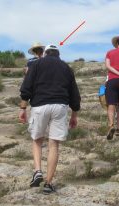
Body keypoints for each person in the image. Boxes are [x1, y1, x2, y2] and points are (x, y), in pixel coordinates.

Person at [19, 44, 81, 194]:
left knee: (37, 139)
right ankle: (48, 183)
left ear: (45, 53)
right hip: (60, 106)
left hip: (40, 105)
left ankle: (38, 171)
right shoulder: (66, 67)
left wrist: (22, 108)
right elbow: (74, 93)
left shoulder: (37, 63)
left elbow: (27, 86)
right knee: (54, 144)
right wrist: (74, 114)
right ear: (58, 54)